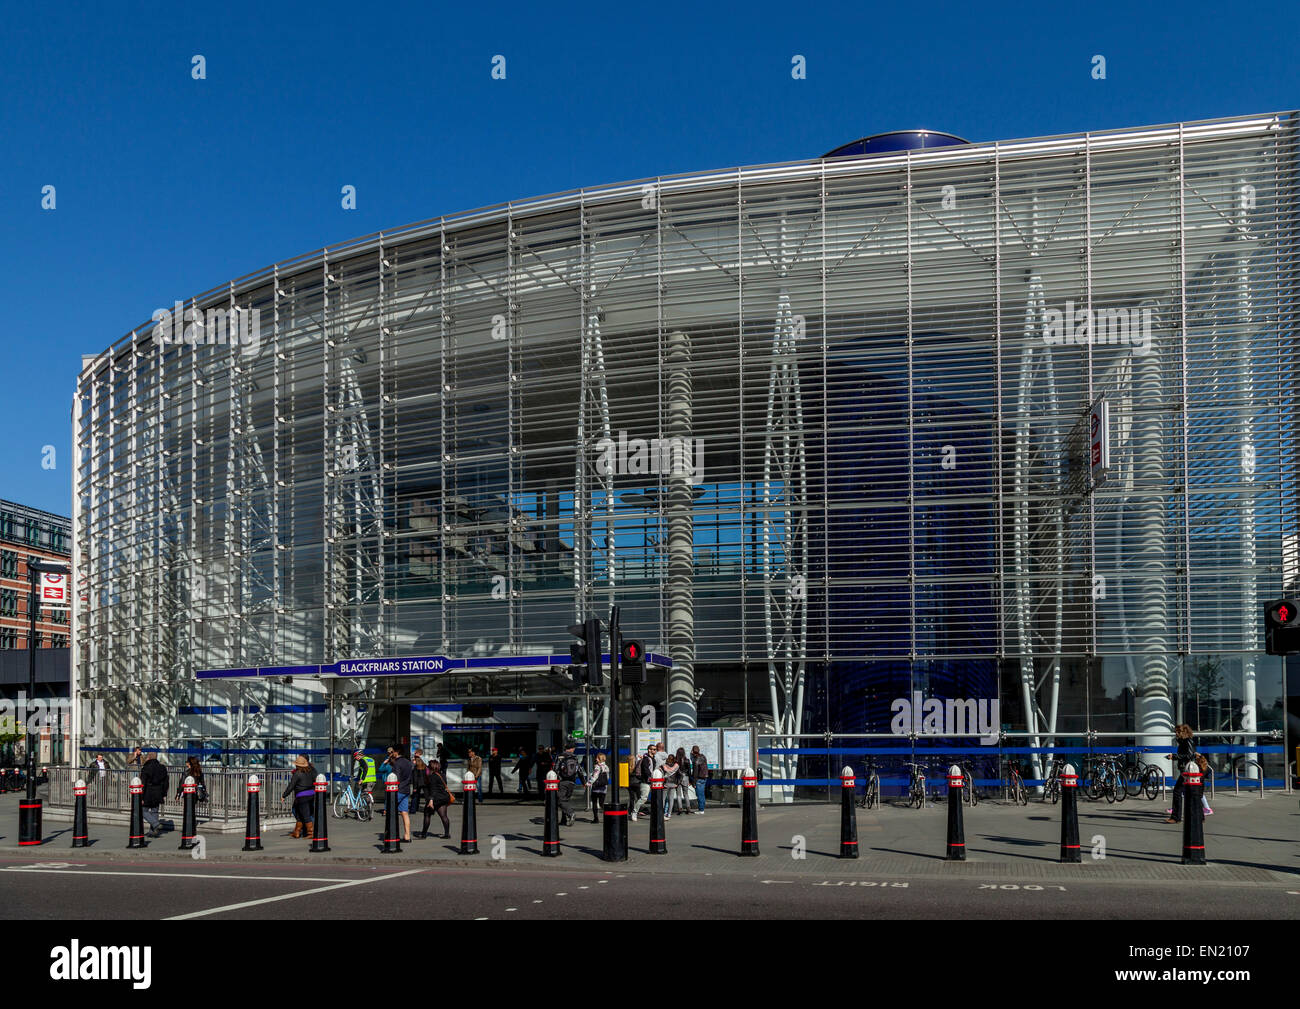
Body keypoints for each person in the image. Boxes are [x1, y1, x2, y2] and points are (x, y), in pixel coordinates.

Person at [1166, 724, 1196, 823]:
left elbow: (1189, 755)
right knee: (1191, 793)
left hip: (1187, 771)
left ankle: (1175, 817)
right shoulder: (1183, 742)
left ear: (1183, 732)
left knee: (1177, 792)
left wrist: (1175, 756)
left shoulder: (1187, 741)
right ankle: (1199, 816)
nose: (1176, 734)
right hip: (1185, 770)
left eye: (1178, 732)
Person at [282, 755, 317, 838]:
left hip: (302, 796)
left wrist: (284, 795)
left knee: (305, 814)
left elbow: (291, 786)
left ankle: (310, 833)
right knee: (299, 813)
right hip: (312, 794)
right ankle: (296, 832)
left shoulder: (297, 774)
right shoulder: (310, 771)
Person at [139, 747, 169, 839]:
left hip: (148, 792)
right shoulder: (162, 768)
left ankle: (155, 824)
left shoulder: (146, 768)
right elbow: (166, 782)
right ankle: (153, 831)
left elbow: (143, 783)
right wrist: (164, 794)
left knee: (143, 811)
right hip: (158, 791)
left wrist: (141, 797)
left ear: (148, 757)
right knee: (155, 811)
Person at [422, 758, 454, 838]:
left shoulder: (432, 776)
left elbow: (433, 790)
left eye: (429, 766)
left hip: (435, 798)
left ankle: (423, 834)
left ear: (431, 767)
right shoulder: (442, 774)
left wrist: (431, 800)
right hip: (443, 797)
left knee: (427, 815)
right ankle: (447, 834)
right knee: (444, 816)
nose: (428, 768)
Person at [554, 741, 582, 826]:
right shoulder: (574, 757)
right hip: (572, 782)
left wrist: (555, 779)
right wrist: (583, 782)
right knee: (565, 800)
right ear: (572, 748)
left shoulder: (560, 756)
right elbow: (579, 771)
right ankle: (563, 820)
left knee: (560, 800)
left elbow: (555, 768)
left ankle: (571, 813)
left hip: (563, 781)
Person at [392, 745, 414, 843]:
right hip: (406, 789)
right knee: (404, 813)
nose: (392, 753)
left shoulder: (397, 763)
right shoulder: (409, 763)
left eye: (393, 751)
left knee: (391, 812)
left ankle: (392, 835)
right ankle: (407, 836)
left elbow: (396, 777)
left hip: (398, 790)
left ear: (396, 752)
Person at [629, 745, 655, 821]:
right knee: (643, 798)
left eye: (655, 749)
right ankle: (634, 812)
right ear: (649, 750)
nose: (654, 751)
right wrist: (650, 777)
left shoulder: (653, 759)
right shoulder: (646, 759)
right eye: (653, 749)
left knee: (655, 798)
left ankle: (657, 814)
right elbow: (645, 770)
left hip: (652, 782)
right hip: (646, 781)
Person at [589, 752, 609, 822]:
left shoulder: (597, 767)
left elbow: (595, 777)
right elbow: (607, 778)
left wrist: (588, 783)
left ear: (600, 759)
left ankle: (596, 818)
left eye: (597, 758)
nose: (596, 759)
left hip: (596, 788)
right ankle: (608, 816)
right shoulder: (606, 767)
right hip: (603, 788)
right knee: (601, 804)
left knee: (594, 803)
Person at [661, 756, 681, 820]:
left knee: (663, 799)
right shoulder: (676, 766)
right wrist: (677, 783)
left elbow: (662, 774)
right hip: (673, 784)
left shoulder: (664, 766)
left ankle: (662, 813)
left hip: (666, 784)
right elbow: (680, 775)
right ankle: (669, 813)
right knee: (671, 799)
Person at [675, 746, 693, 813]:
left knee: (678, 794)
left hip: (678, 778)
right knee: (686, 794)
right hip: (685, 777)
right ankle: (688, 808)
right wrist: (690, 780)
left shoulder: (676, 760)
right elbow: (689, 771)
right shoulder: (687, 760)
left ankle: (680, 808)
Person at [691, 745, 709, 812]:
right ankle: (702, 808)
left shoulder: (696, 760)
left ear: (693, 751)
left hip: (699, 779)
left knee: (699, 795)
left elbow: (695, 773)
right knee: (702, 794)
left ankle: (701, 810)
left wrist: (694, 782)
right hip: (704, 777)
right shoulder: (703, 756)